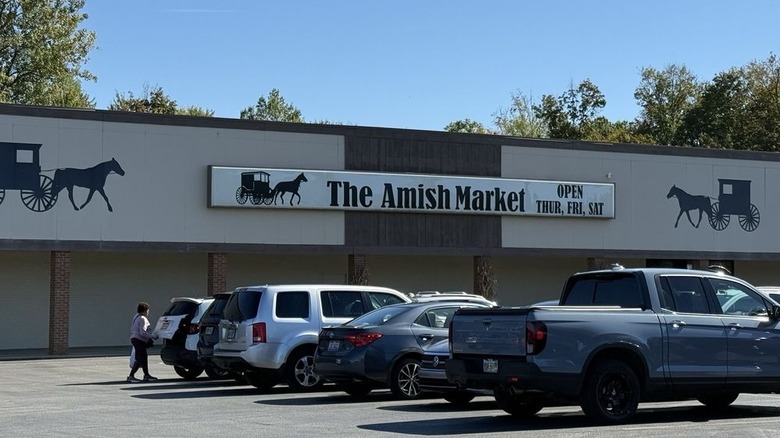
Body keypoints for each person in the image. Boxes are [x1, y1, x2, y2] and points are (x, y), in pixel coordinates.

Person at [127, 301, 159, 382]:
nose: (148, 312)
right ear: (144, 310)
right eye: (147, 310)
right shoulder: (143, 318)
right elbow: (143, 332)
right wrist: (152, 336)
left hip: (135, 339)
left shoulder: (136, 317)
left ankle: (146, 375)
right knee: (140, 358)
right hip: (139, 340)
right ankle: (131, 376)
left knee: (144, 358)